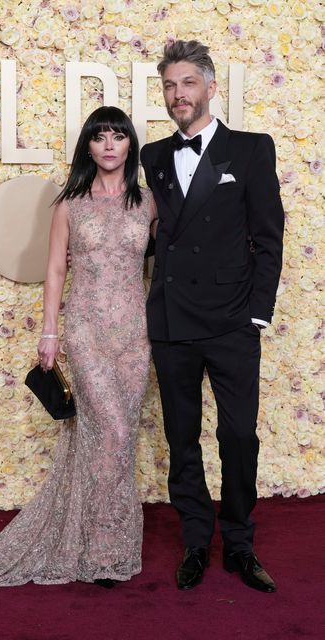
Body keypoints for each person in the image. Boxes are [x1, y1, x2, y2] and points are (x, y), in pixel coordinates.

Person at [0, 106, 156, 593]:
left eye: (117, 137)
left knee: (115, 444)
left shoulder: (147, 203)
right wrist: (51, 332)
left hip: (135, 337)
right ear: (87, 146)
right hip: (85, 332)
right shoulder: (70, 204)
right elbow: (56, 270)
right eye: (99, 136)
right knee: (114, 433)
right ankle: (102, 552)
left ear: (129, 146)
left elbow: (170, 260)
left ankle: (109, 546)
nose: (107, 145)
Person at [140, 40, 284, 593]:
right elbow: (151, 236)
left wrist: (257, 315)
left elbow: (268, 238)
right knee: (182, 439)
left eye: (188, 84)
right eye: (170, 87)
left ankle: (240, 544)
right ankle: (196, 542)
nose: (178, 95)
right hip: (173, 322)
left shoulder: (250, 149)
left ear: (211, 87)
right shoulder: (152, 156)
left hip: (231, 323)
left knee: (238, 436)